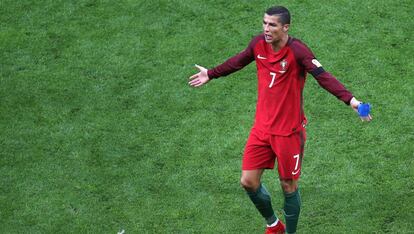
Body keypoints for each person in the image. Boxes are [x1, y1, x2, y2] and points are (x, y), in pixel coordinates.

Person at [188, 6, 372, 234]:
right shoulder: (258, 45)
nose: (266, 29)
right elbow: (237, 61)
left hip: (289, 133)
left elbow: (324, 77)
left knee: (288, 185)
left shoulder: (298, 51)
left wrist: (352, 101)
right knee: (248, 181)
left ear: (285, 27)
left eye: (272, 25)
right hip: (262, 130)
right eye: (264, 23)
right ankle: (274, 225)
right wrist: (211, 73)